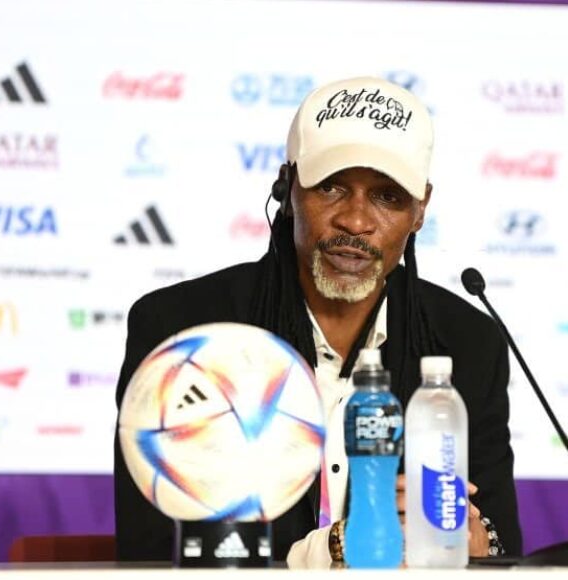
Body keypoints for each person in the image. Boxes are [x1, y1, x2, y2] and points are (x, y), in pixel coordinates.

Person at [114, 76, 522, 567]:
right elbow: (153, 550)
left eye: (388, 196)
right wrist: (330, 552)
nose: (355, 221)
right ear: (287, 188)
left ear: (420, 210)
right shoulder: (183, 328)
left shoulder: (468, 342)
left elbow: (503, 545)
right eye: (331, 187)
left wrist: (477, 542)